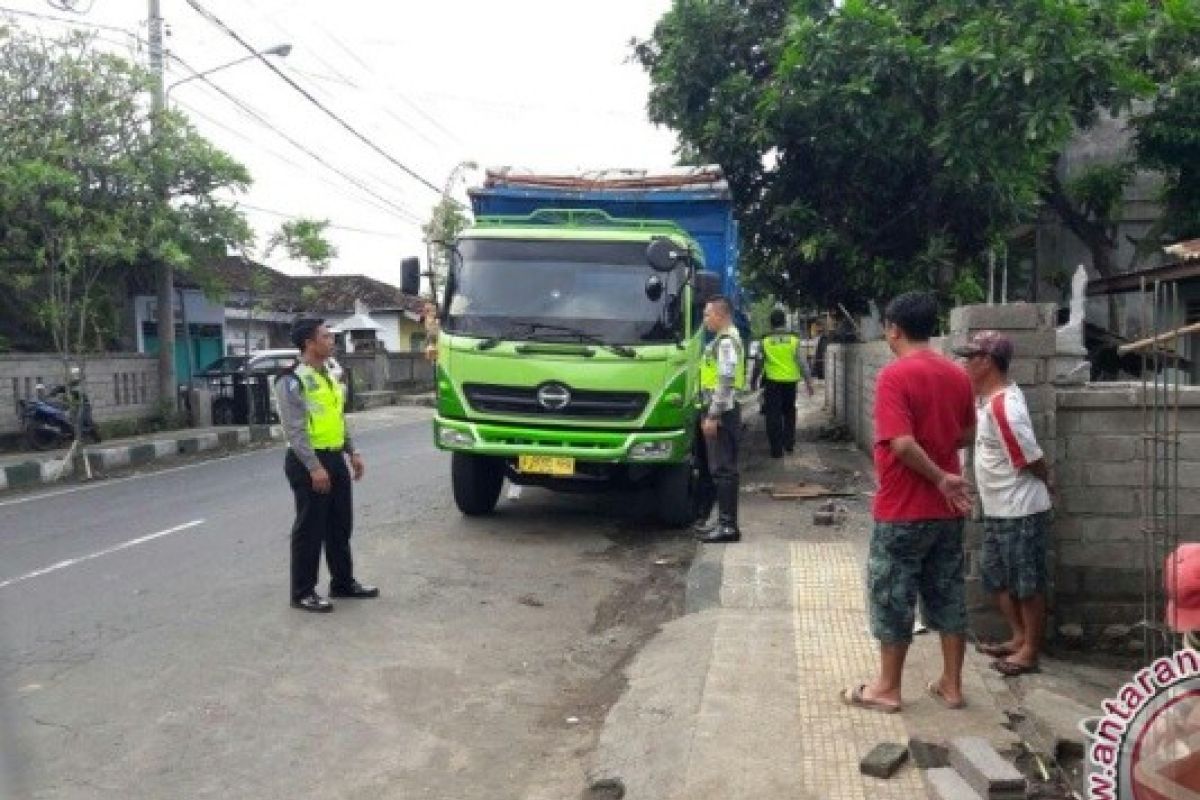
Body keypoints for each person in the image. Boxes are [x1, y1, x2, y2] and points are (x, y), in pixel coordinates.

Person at [842, 291, 975, 714]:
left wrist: (936, 477)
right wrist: (945, 468)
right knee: (948, 592)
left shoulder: (894, 377)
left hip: (904, 508)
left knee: (891, 595)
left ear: (893, 329)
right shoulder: (958, 375)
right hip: (947, 512)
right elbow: (967, 435)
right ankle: (952, 686)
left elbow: (900, 443)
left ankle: (886, 688)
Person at [955, 331, 1053, 677]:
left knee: (1027, 583)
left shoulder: (1002, 406)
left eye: (971, 358)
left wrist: (1047, 482)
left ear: (987, 362)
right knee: (996, 579)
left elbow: (1028, 457)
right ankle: (1018, 637)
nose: (965, 364)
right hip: (1000, 507)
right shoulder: (987, 401)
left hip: (1020, 508)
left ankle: (1029, 651)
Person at [276, 318, 378, 613]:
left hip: (334, 457)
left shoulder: (329, 374)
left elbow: (336, 418)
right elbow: (294, 430)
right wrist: (313, 466)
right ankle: (302, 592)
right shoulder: (291, 379)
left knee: (340, 525)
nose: (332, 340)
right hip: (308, 461)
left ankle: (343, 583)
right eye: (326, 336)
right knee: (310, 529)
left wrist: (352, 451)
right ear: (309, 343)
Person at [693, 296, 745, 544]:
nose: (705, 320)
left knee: (723, 469)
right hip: (721, 410)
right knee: (720, 468)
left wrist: (713, 415)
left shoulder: (725, 342)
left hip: (722, 412)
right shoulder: (723, 339)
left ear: (720, 315)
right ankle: (723, 521)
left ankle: (728, 526)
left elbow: (725, 379)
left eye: (707, 314)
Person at [753, 309, 815, 458]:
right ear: (784, 322)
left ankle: (776, 449)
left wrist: (753, 380)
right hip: (790, 383)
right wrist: (809, 382)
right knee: (789, 412)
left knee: (772, 415)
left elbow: (758, 363)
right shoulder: (794, 340)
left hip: (772, 383)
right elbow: (802, 362)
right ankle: (788, 443)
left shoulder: (765, 341)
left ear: (771, 323)